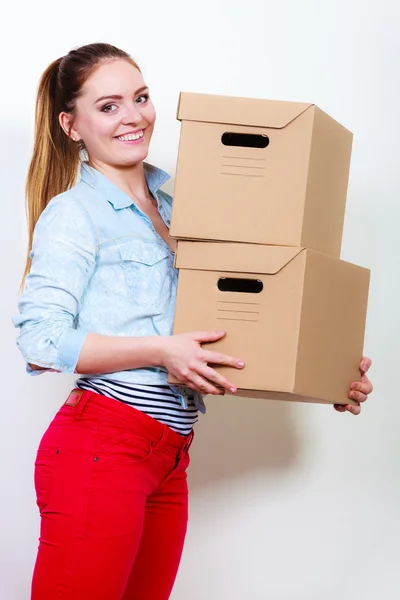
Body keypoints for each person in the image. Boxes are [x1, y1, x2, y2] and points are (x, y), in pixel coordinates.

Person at [13, 42, 373, 600]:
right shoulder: (73, 214)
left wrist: (325, 374)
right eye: (108, 106)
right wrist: (160, 351)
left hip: (169, 455)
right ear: (71, 125)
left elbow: (223, 329)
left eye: (140, 97)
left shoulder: (184, 209)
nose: (133, 116)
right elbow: (39, 341)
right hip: (102, 448)